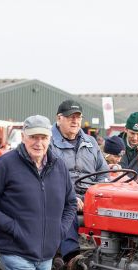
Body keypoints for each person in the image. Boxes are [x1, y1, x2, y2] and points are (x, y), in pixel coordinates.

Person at [0, 115, 76, 270]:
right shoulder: (5, 164)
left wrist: (60, 230)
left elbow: (70, 202)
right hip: (18, 252)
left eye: (43, 138)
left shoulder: (59, 166)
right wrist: (13, 228)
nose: (38, 143)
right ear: (23, 137)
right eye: (33, 137)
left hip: (46, 255)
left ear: (50, 139)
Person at [49, 99, 109, 257]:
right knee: (68, 211)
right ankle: (71, 259)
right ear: (59, 118)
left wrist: (96, 194)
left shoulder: (91, 142)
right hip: (59, 196)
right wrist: (70, 197)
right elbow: (46, 177)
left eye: (78, 117)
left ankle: (113, 255)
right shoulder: (47, 143)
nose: (75, 121)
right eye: (70, 117)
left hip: (90, 195)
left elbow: (103, 173)